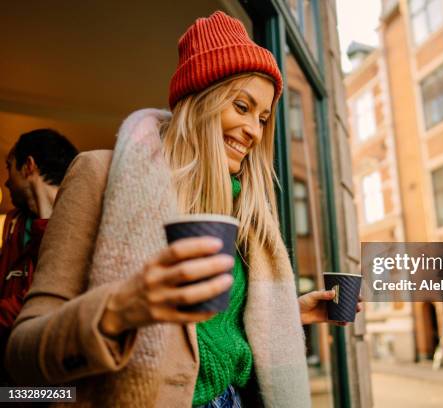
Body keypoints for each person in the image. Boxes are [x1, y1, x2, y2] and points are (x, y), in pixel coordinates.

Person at [6, 11, 361, 407]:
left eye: (262, 118)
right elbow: (22, 356)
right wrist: (118, 311)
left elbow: (211, 337)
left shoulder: (246, 211)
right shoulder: (99, 176)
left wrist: (287, 315)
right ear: (201, 100)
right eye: (241, 107)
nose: (254, 131)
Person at [0, 129, 78, 384]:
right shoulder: (15, 225)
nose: (6, 181)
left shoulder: (78, 225)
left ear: (28, 166)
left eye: (9, 167)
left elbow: (53, 301)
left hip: (52, 385)